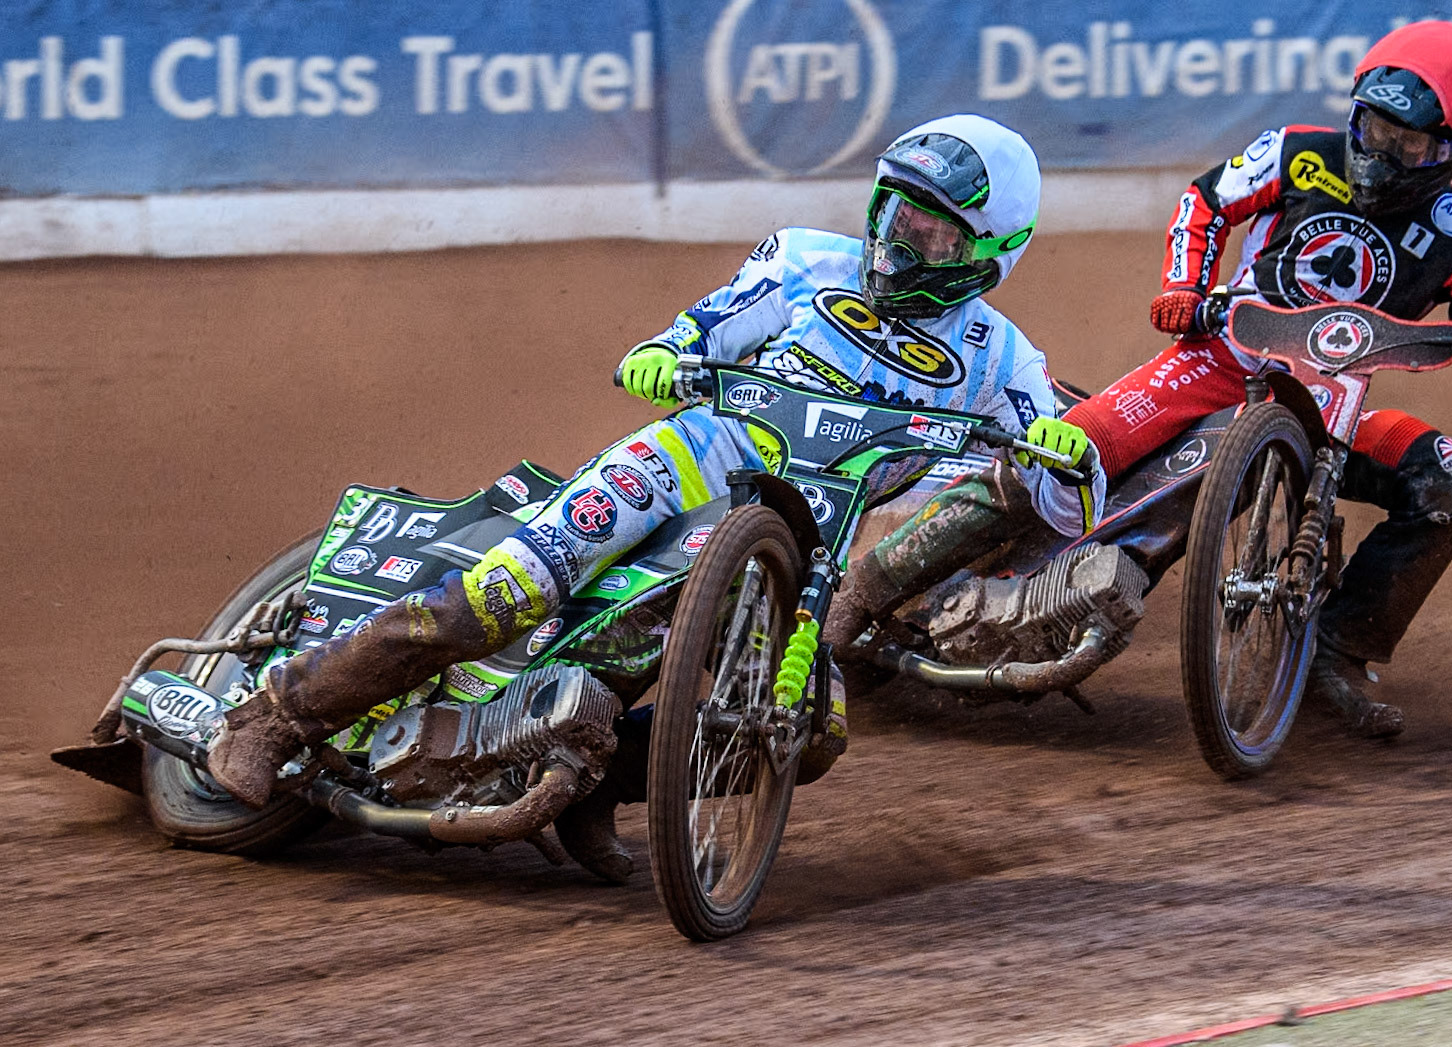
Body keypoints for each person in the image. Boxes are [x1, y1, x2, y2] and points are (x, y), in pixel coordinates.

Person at [204, 113, 1105, 879]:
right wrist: (667, 352)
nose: (903, 238)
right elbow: (704, 324)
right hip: (693, 453)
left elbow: (1068, 501)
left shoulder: (1001, 359)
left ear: (989, 252)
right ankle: (274, 718)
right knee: (507, 589)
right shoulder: (803, 259)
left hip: (809, 536)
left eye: (933, 230)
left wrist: (1067, 457)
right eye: (896, 211)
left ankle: (588, 787)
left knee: (809, 724)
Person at [829, 21, 1452, 739]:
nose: (1379, 151)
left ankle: (1332, 655)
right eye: (1372, 128)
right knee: (1058, 453)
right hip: (1217, 359)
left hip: (1331, 407)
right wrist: (1184, 286)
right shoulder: (1295, 153)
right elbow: (1204, 202)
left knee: (1449, 479)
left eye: (1404, 141)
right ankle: (860, 594)